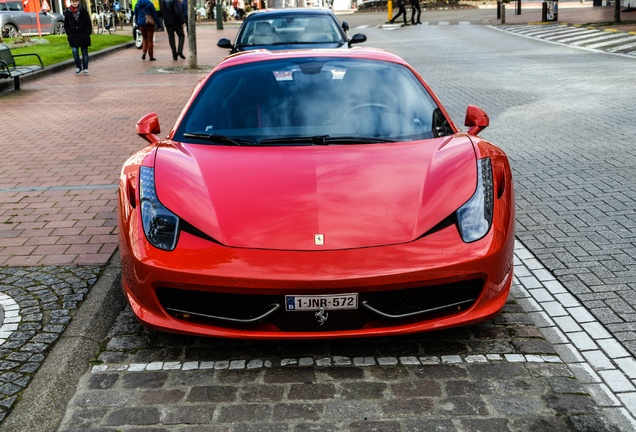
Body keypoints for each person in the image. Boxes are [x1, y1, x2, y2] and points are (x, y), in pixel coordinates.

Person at [63, 0, 92, 75]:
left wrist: (87, 32)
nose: (74, 3)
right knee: (74, 51)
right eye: (73, 2)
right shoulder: (68, 12)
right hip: (73, 36)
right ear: (71, 2)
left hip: (83, 35)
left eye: (76, 2)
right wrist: (69, 33)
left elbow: (88, 22)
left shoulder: (83, 11)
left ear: (78, 2)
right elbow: (66, 24)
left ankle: (85, 68)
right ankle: (78, 67)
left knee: (84, 52)